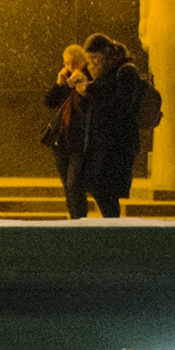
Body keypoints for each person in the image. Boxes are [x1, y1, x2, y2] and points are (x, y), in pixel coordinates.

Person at [69, 33, 158, 220]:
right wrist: (84, 87)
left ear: (106, 53)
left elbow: (121, 106)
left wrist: (90, 89)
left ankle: (113, 227)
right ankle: (111, 225)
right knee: (100, 189)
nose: (92, 62)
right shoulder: (105, 72)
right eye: (90, 58)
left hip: (118, 145)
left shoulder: (126, 71)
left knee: (105, 190)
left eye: (95, 57)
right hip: (104, 143)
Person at [38, 41, 93, 219]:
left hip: (80, 142)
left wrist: (82, 84)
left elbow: (90, 105)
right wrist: (60, 83)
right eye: (67, 63)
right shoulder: (66, 82)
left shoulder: (89, 77)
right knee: (67, 186)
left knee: (74, 184)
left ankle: (79, 220)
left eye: (73, 63)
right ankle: (74, 218)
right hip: (62, 141)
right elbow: (50, 102)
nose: (69, 67)